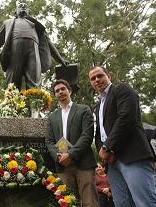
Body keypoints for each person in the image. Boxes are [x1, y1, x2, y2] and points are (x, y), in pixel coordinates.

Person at [88, 65, 156, 206]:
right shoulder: (98, 105)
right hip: (112, 164)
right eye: (93, 78)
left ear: (109, 76)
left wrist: (108, 147)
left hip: (132, 156)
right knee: (122, 204)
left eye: (100, 75)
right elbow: (100, 132)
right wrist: (103, 154)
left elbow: (126, 118)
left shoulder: (122, 89)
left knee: (145, 202)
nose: (97, 80)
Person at [0, 2, 66, 90]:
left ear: (29, 11)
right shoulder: (9, 23)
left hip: (34, 51)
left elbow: (49, 44)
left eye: (25, 6)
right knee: (12, 83)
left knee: (34, 82)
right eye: (20, 6)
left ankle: (35, 102)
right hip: (15, 50)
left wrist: (61, 60)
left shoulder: (37, 26)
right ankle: (11, 102)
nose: (23, 6)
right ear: (15, 11)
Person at [45, 79, 98, 207]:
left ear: (69, 91)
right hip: (63, 167)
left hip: (83, 164)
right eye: (57, 91)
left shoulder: (83, 109)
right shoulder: (52, 117)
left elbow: (87, 135)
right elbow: (49, 140)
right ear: (55, 95)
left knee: (89, 202)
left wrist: (71, 154)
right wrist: (58, 157)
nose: (60, 92)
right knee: (68, 203)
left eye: (63, 89)